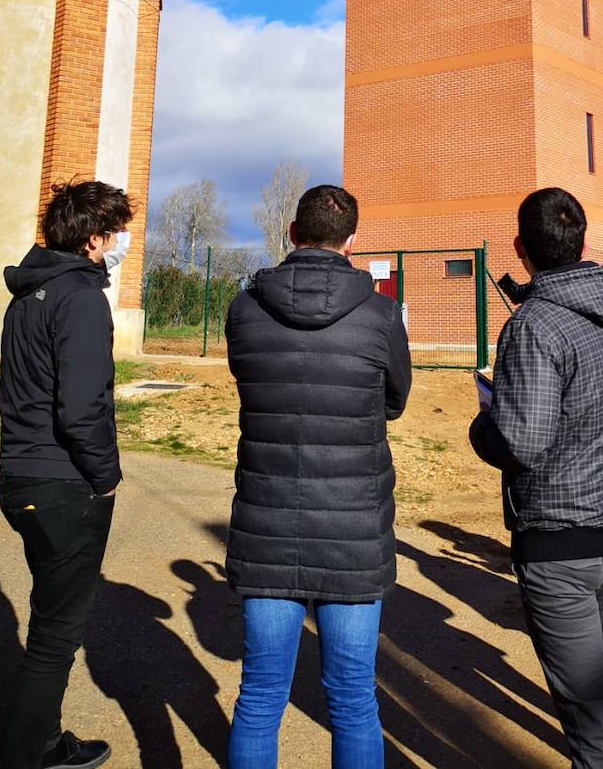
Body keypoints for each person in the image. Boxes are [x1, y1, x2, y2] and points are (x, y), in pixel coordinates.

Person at [225, 184, 412, 769]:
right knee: (354, 700)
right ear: (352, 242)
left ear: (290, 233)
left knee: (259, 696)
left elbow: (249, 381)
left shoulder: (244, 308)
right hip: (354, 527)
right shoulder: (380, 314)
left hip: (267, 519)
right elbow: (395, 399)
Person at [469, 187, 603, 769]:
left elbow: (521, 441)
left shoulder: (534, 328)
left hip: (559, 544)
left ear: (519, 247)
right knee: (600, 688)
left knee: (590, 725)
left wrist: (484, 422)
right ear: (585, 241)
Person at [0, 180, 133, 769]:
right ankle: (30, 753)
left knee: (49, 624)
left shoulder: (29, 293)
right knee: (55, 636)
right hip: (63, 483)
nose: (121, 241)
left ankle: (41, 740)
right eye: (117, 232)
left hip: (22, 475)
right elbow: (81, 409)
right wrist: (105, 477)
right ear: (95, 240)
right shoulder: (79, 297)